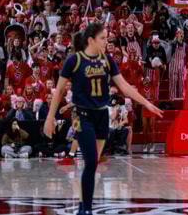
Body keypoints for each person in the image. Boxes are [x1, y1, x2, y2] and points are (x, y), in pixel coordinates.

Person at [43, 22, 163, 215]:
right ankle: (87, 210)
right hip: (81, 114)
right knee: (90, 161)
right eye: (103, 38)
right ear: (91, 40)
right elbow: (58, 92)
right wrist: (50, 117)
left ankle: (83, 205)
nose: (107, 41)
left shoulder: (107, 60)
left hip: (101, 114)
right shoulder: (74, 60)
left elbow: (124, 86)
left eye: (107, 38)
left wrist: (147, 103)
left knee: (93, 164)